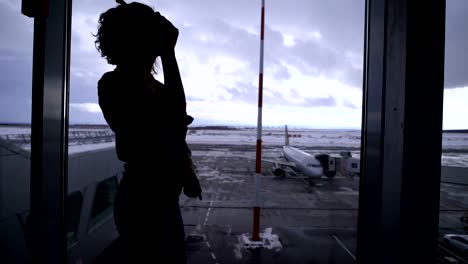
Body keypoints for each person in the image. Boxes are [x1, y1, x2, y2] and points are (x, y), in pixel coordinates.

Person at [93, 1, 202, 262]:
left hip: (161, 200)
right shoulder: (114, 84)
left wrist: (186, 174)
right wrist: (168, 53)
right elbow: (170, 124)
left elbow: (175, 130)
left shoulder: (154, 87)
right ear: (136, 41)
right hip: (144, 204)